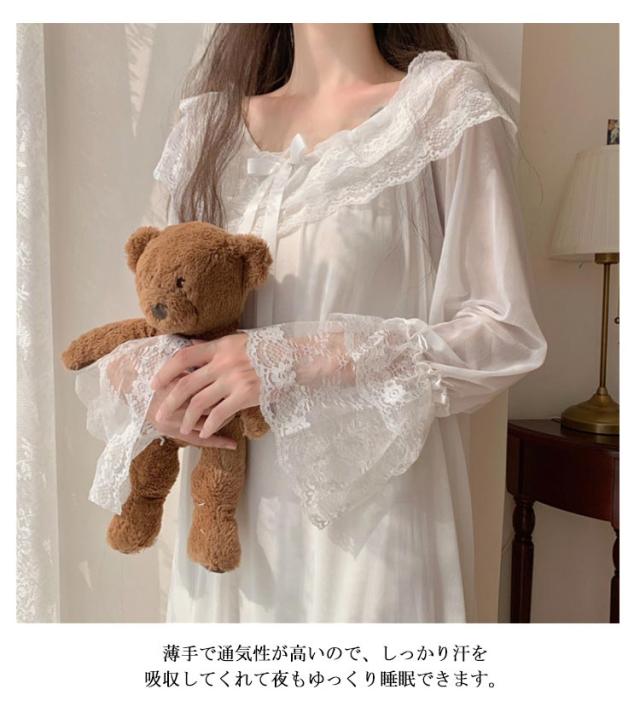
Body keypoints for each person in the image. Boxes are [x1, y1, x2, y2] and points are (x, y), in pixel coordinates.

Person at [77, 23, 548, 622]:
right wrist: (162, 391)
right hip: (229, 524)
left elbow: (503, 333)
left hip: (376, 525)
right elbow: (165, 310)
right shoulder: (205, 128)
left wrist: (286, 359)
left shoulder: (443, 105)